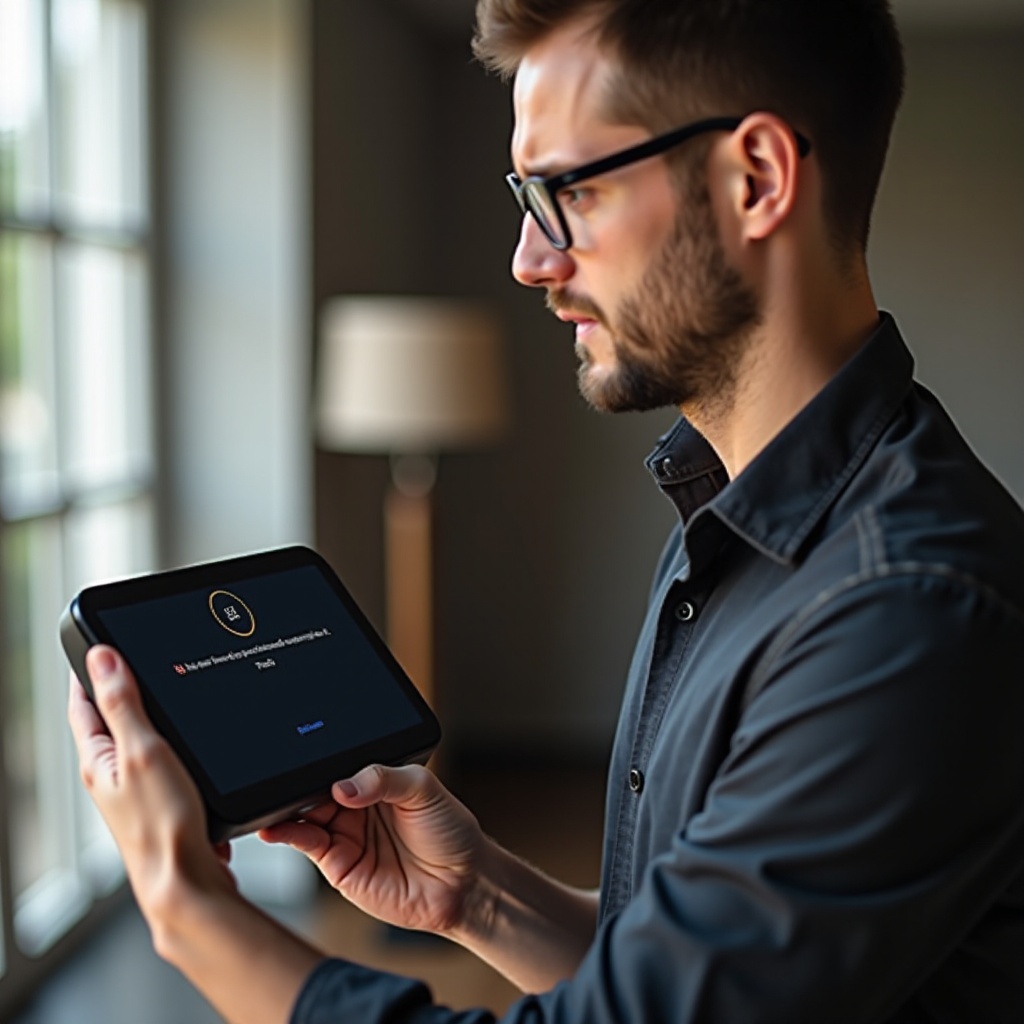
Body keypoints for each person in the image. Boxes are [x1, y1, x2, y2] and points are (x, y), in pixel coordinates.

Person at [69, 1, 1024, 1021]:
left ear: (755, 179)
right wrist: (476, 892)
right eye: (527, 194)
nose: (530, 257)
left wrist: (191, 913)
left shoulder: (908, 609)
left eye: (568, 189)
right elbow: (676, 985)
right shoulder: (739, 511)